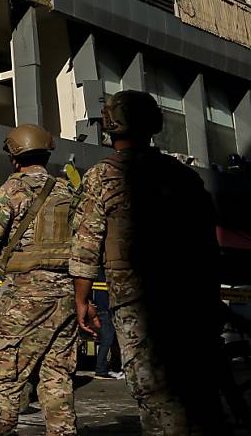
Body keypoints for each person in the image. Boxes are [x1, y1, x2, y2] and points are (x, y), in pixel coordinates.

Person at [72, 90, 222, 433]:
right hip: (193, 298)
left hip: (136, 303)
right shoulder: (184, 175)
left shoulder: (102, 176)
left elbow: (86, 244)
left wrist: (82, 299)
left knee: (156, 397)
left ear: (110, 126)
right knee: (199, 392)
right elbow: (207, 244)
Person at [0, 124, 78, 436]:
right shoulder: (67, 191)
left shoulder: (15, 189)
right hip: (66, 293)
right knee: (57, 375)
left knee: (2, 376)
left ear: (14, 157)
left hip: (25, 293)